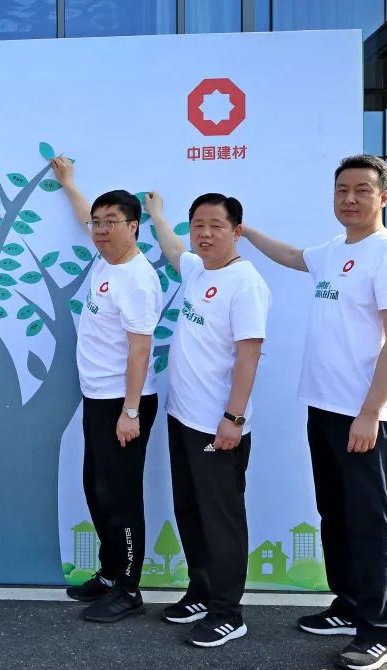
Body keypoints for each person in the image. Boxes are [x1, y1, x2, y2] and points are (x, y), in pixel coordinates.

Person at [241, 154, 387, 670]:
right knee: (335, 514)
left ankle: (378, 631)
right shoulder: (334, 251)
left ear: (383, 197)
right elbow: (292, 256)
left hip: (362, 414)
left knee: (369, 522)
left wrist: (370, 412)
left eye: (362, 190)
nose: (350, 198)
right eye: (343, 189)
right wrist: (245, 231)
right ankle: (348, 604)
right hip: (323, 406)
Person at [148, 191, 271, 647]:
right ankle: (200, 592)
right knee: (190, 511)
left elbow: (249, 355)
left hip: (218, 426)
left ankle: (227, 612)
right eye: (197, 224)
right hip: (182, 417)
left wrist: (233, 418)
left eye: (216, 225)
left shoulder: (246, 284)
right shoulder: (198, 270)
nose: (204, 234)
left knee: (221, 519)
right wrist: (157, 214)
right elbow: (172, 248)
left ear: (236, 231)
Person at [50, 157, 162, 624]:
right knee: (97, 488)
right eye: (97, 223)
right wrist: (69, 183)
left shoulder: (137, 278)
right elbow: (85, 216)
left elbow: (141, 350)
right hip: (97, 399)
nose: (99, 229)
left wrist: (130, 412)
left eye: (110, 222)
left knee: (121, 495)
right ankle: (111, 572)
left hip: (124, 403)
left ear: (134, 227)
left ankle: (129, 588)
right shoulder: (106, 259)